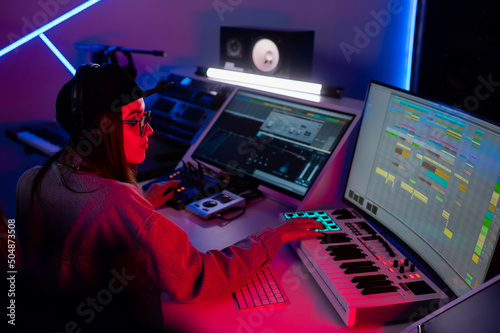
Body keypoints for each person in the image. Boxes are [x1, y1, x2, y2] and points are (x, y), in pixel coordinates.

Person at [15, 64, 324, 332]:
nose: (149, 130)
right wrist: (274, 237)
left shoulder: (29, 180)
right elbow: (197, 278)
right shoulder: (121, 203)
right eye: (136, 120)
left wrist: (144, 203)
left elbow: (90, 228)